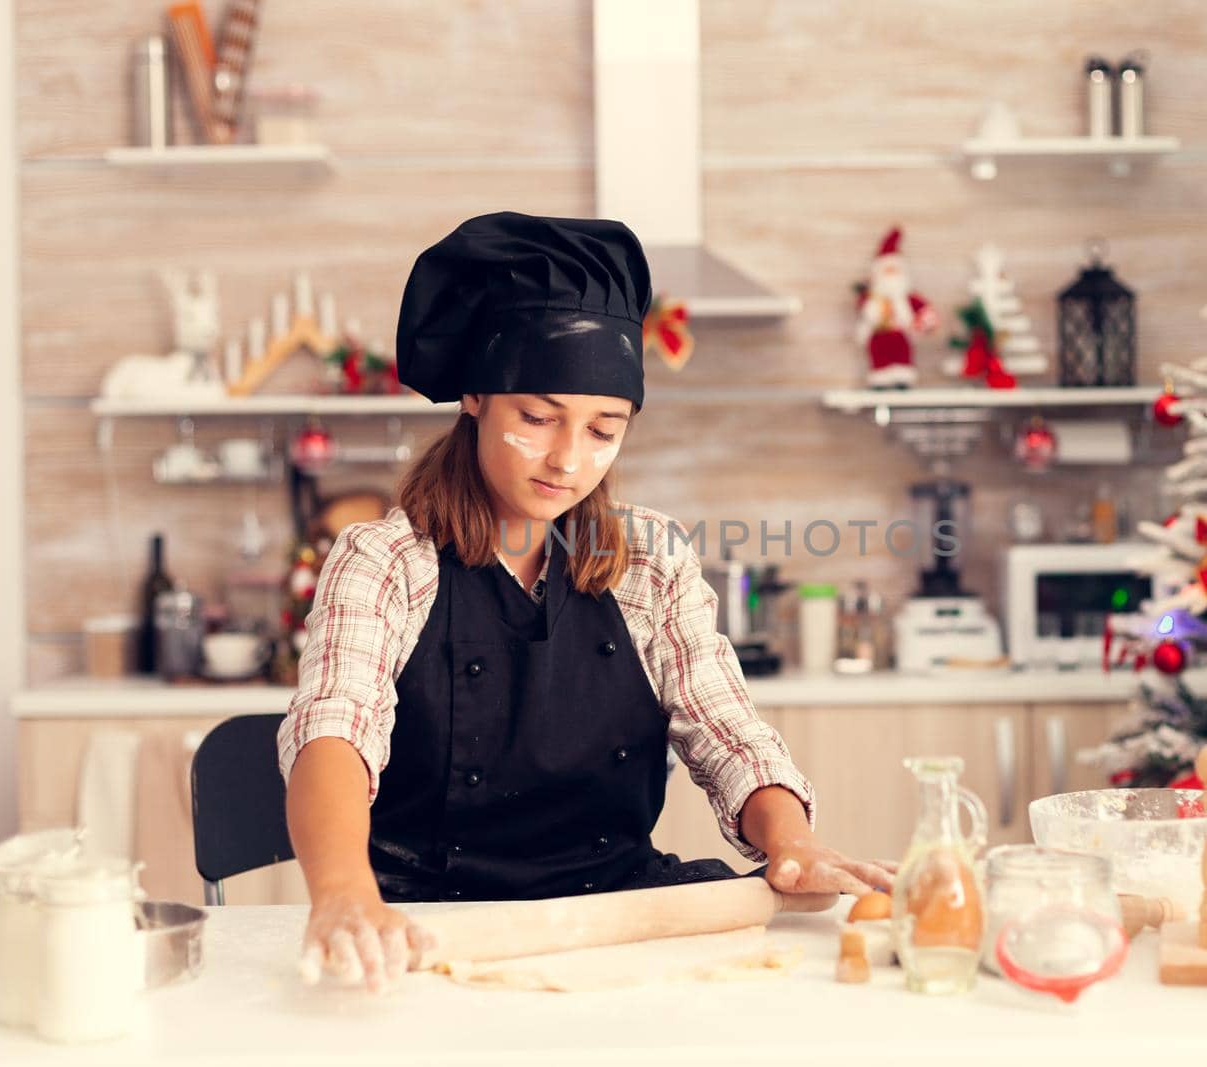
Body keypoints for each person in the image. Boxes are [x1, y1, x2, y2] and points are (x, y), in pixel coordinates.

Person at [278, 212, 894, 991]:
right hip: (431, 927)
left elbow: (728, 730)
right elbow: (334, 732)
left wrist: (792, 840)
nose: (568, 459)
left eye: (604, 430)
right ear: (475, 395)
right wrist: (342, 895)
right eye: (537, 418)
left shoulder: (650, 560)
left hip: (619, 922)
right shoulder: (385, 562)